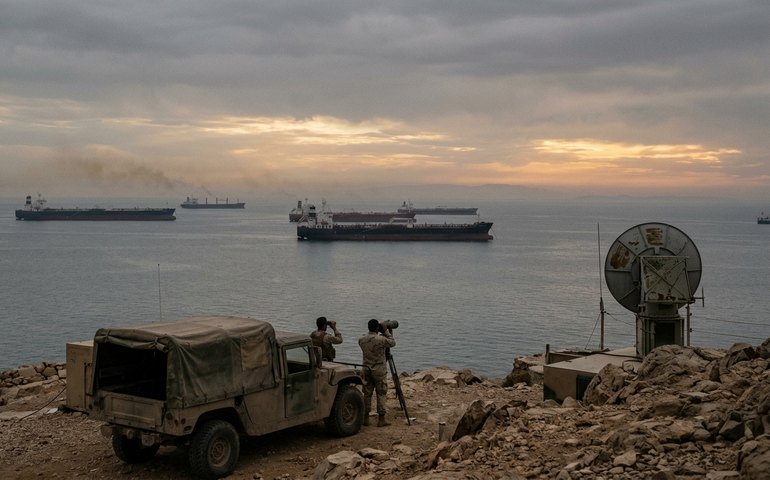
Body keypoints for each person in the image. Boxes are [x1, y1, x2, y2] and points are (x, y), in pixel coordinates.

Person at [358, 318, 396, 427]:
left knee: (367, 394)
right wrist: (386, 331)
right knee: (381, 393)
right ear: (377, 328)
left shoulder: (361, 339)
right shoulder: (381, 340)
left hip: (366, 369)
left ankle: (366, 418)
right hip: (379, 370)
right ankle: (381, 419)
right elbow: (392, 342)